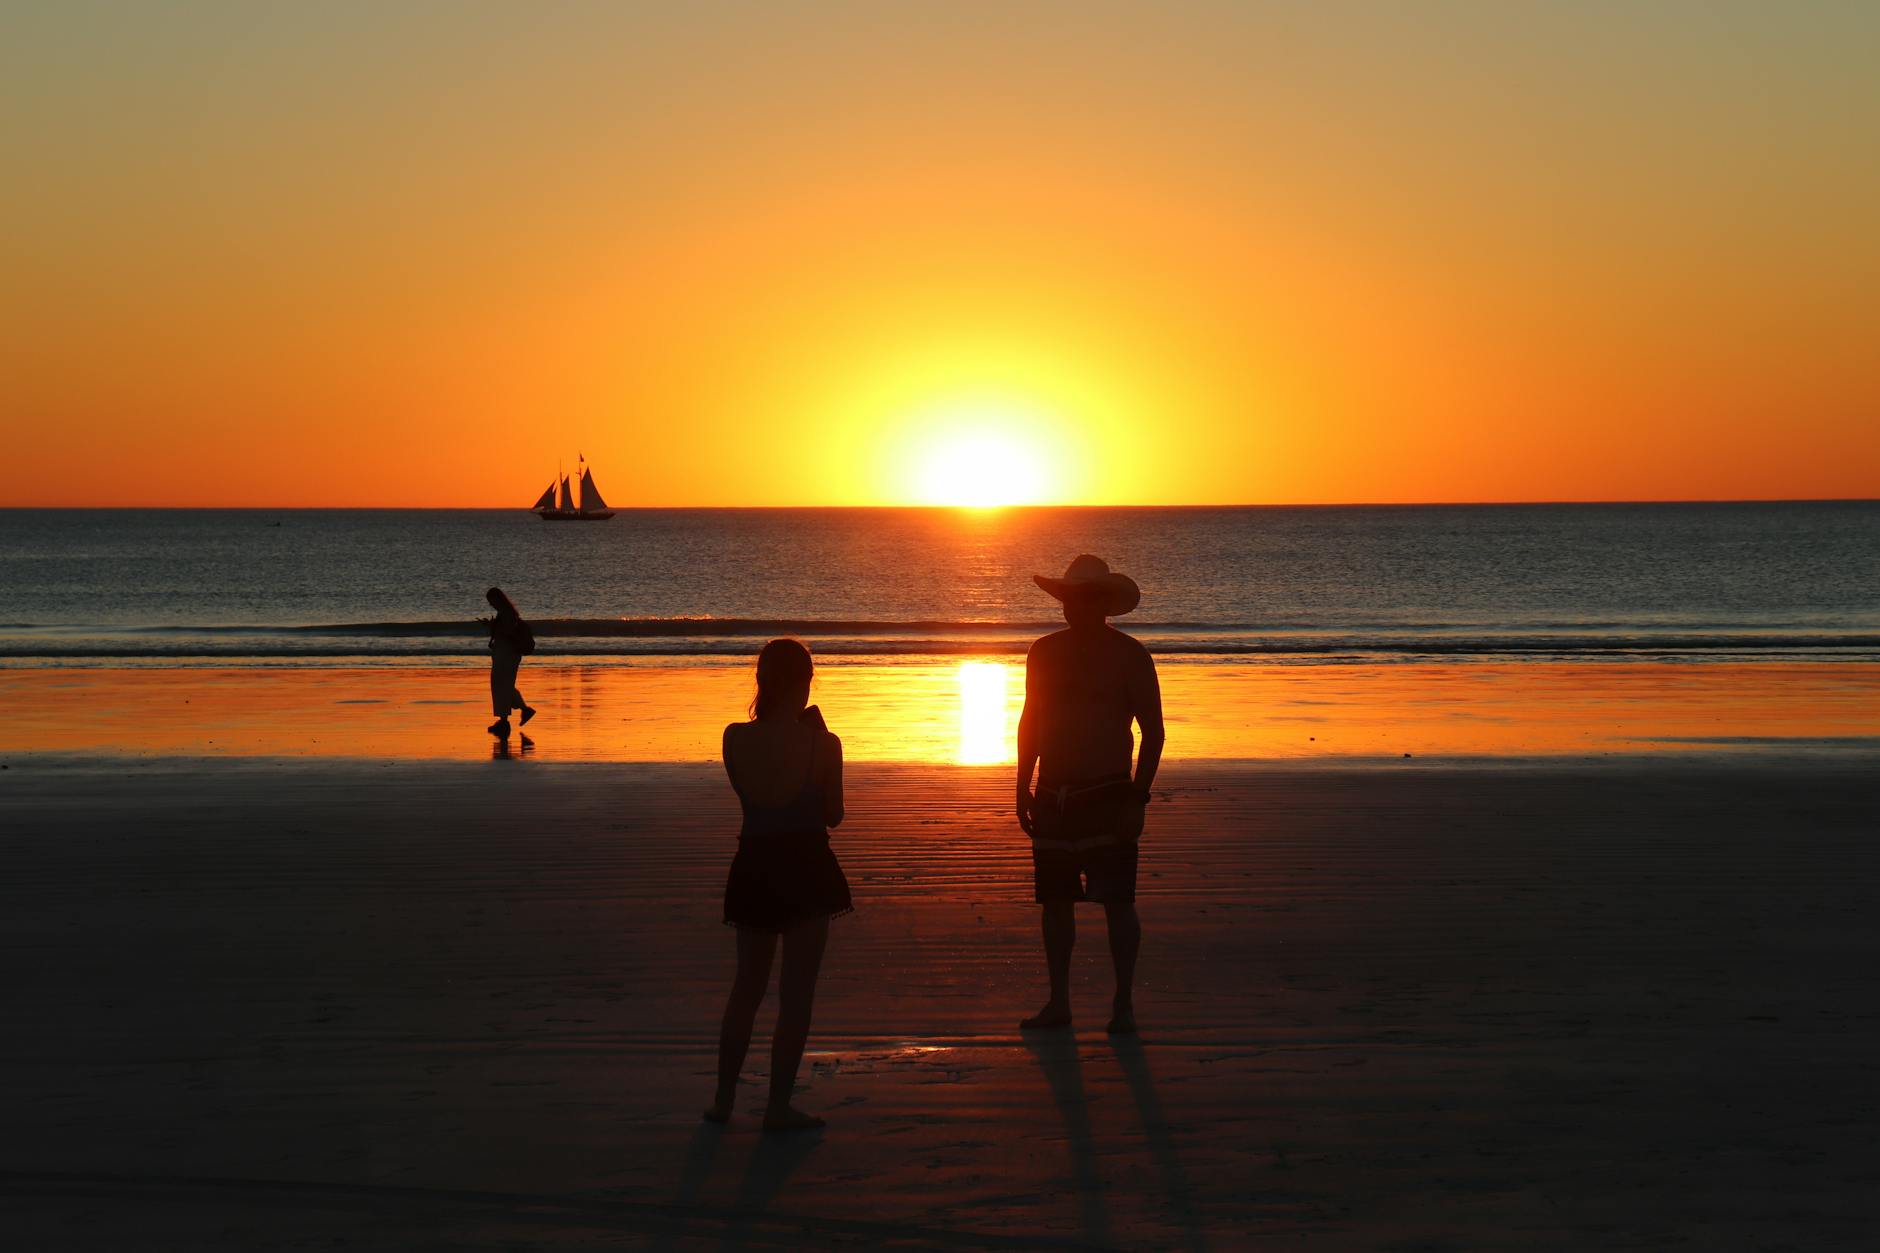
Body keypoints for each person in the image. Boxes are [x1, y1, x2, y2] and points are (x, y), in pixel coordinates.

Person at [1016, 554, 1165, 1035]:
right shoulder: (1043, 652)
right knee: (1056, 904)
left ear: (1103, 603)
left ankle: (1123, 1004)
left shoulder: (1130, 655)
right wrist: (1022, 784)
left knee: (1118, 902)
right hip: (1054, 795)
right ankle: (1059, 1002)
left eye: (1084, 599)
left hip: (1109, 794)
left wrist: (1137, 798)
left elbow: (1153, 732)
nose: (1074, 607)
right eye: (1069, 599)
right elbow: (1030, 721)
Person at [707, 638, 851, 1131]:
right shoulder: (823, 744)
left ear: (762, 681)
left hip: (754, 863)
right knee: (796, 996)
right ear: (806, 681)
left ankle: (724, 1100)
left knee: (746, 988)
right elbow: (833, 816)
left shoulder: (733, 737)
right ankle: (775, 1107)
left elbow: (753, 797)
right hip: (806, 865)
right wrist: (821, 742)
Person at [484, 587, 537, 739]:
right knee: (504, 686)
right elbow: (504, 631)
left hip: (507, 655)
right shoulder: (506, 613)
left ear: (498, 599)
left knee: (501, 686)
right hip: (504, 654)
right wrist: (491, 625)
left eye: (492, 601)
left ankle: (504, 721)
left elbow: (506, 632)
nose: (491, 605)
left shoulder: (507, 614)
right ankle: (521, 712)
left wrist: (493, 627)